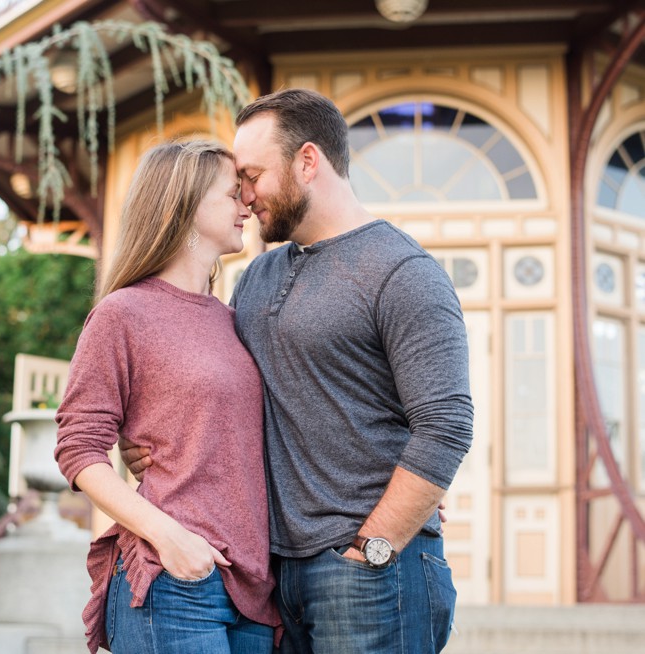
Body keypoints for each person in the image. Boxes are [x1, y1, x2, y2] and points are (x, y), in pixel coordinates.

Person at [122, 88, 474, 653]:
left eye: (253, 175)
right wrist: (137, 436)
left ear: (307, 162)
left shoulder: (403, 271)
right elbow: (211, 386)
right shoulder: (255, 278)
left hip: (368, 572)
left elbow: (447, 425)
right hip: (271, 579)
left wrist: (373, 550)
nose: (244, 195)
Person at [53, 139, 282, 654]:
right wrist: (169, 537)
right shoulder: (123, 314)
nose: (246, 204)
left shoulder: (235, 322)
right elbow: (79, 448)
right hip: (176, 582)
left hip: (255, 591)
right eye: (231, 194)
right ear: (186, 204)